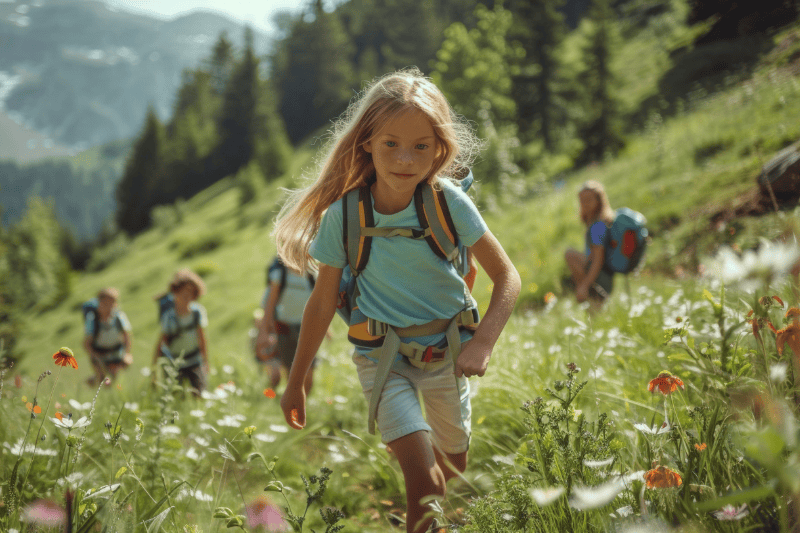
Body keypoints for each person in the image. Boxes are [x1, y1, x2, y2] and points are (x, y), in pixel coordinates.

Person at [273, 68, 521, 533]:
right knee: (422, 484)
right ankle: (425, 514)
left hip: (448, 355)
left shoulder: (448, 203)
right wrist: (297, 380)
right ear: (365, 142)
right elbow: (321, 303)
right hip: (382, 360)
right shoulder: (345, 214)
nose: (405, 159)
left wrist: (483, 342)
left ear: (439, 149)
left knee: (453, 464)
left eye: (421, 146)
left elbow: (507, 277)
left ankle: (431, 516)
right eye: (390, 144)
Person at [255, 257, 318, 394]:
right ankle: (295, 405)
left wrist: (327, 330)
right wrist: (264, 332)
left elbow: (317, 304)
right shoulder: (279, 275)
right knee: (292, 373)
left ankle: (303, 403)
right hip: (284, 328)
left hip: (307, 329)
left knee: (309, 373)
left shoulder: (312, 275)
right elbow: (269, 306)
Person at [152, 269, 210, 396]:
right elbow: (160, 344)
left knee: (200, 395)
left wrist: (206, 362)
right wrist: (154, 372)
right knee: (175, 398)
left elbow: (202, 339)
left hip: (195, 361)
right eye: (183, 292)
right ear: (175, 293)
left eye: (191, 292)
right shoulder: (169, 317)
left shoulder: (197, 313)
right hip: (173, 364)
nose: (187, 296)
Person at [564, 180, 616, 304]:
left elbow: (598, 259)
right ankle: (589, 293)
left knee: (570, 254)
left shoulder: (597, 227)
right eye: (582, 201)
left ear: (599, 201)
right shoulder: (597, 223)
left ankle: (590, 292)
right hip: (603, 277)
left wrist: (584, 286)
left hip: (601, 278)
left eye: (589, 200)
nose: (584, 204)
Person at [83, 287, 133, 386]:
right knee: (104, 381)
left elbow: (127, 336)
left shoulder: (119, 316)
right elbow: (87, 343)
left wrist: (127, 353)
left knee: (115, 379)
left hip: (116, 352)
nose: (110, 307)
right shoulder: (92, 319)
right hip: (99, 354)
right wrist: (95, 357)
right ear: (100, 303)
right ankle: (98, 378)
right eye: (106, 304)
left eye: (113, 304)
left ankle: (99, 379)